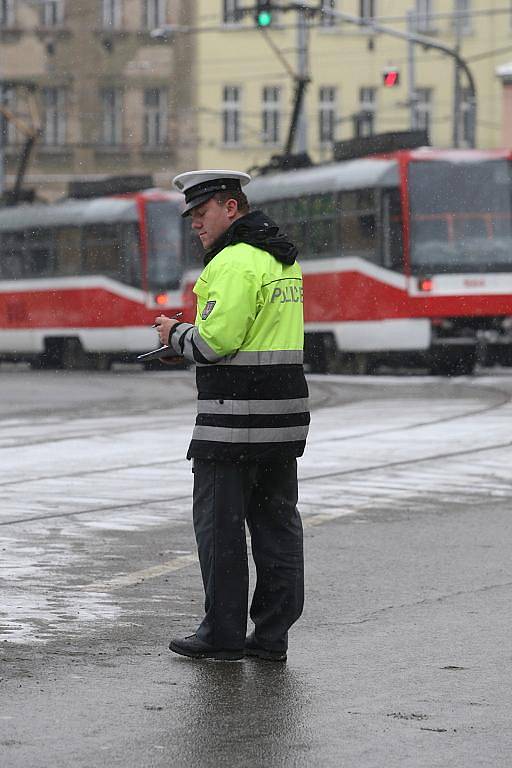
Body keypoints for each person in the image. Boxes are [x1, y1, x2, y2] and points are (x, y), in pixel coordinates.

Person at [154, 169, 309, 662]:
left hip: (232, 420)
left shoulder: (232, 263)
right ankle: (270, 637)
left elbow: (214, 342)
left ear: (232, 208)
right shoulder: (280, 259)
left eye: (202, 214)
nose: (196, 225)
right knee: (276, 528)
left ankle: (221, 636)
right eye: (192, 217)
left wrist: (172, 335)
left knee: (220, 531)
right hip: (282, 418)